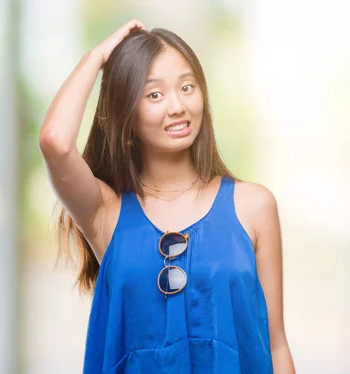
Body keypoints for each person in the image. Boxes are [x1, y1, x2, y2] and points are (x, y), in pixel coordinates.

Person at [38, 19, 295, 373]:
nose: (177, 106)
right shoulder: (106, 213)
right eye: (154, 94)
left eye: (187, 87)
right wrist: (98, 56)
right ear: (126, 112)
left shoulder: (253, 205)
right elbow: (55, 141)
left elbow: (276, 342)